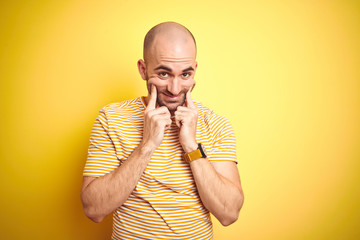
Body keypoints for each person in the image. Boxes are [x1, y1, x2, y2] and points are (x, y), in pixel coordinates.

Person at [81, 22, 244, 239]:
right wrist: (147, 145)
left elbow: (229, 213)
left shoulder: (215, 123)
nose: (175, 89)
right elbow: (93, 209)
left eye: (185, 75)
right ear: (143, 69)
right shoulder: (111, 118)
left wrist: (191, 147)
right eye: (164, 74)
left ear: (194, 70)